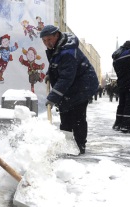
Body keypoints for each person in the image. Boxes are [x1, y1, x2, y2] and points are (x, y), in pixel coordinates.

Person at [40, 25, 99, 154]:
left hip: (82, 86)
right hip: (71, 86)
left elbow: (66, 78)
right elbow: (57, 64)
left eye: (49, 39)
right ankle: (67, 146)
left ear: (57, 35)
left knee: (77, 117)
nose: (47, 43)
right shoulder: (58, 47)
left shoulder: (68, 52)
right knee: (65, 115)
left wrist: (52, 97)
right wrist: (51, 73)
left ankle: (79, 146)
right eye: (44, 41)